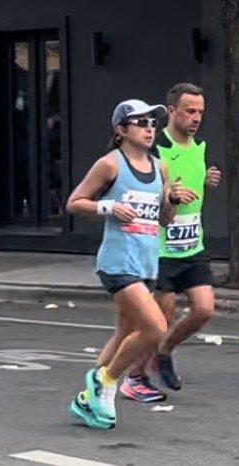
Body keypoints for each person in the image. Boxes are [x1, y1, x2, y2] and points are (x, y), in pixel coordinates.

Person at [65, 99, 198, 429]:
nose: (150, 129)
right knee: (155, 328)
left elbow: (164, 220)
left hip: (146, 264)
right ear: (121, 130)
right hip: (117, 263)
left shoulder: (160, 168)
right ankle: (106, 381)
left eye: (153, 123)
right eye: (141, 123)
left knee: (124, 333)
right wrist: (108, 208)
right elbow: (74, 202)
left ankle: (86, 399)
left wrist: (171, 200)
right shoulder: (110, 164)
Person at [119, 83, 222, 403]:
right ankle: (134, 378)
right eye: (190, 111)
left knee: (204, 309)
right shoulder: (157, 148)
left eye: (200, 112)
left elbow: (189, 182)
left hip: (192, 244)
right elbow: (148, 193)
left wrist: (204, 180)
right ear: (172, 111)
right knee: (159, 319)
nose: (196, 118)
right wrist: (170, 196)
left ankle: (163, 352)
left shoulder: (199, 147)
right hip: (160, 248)